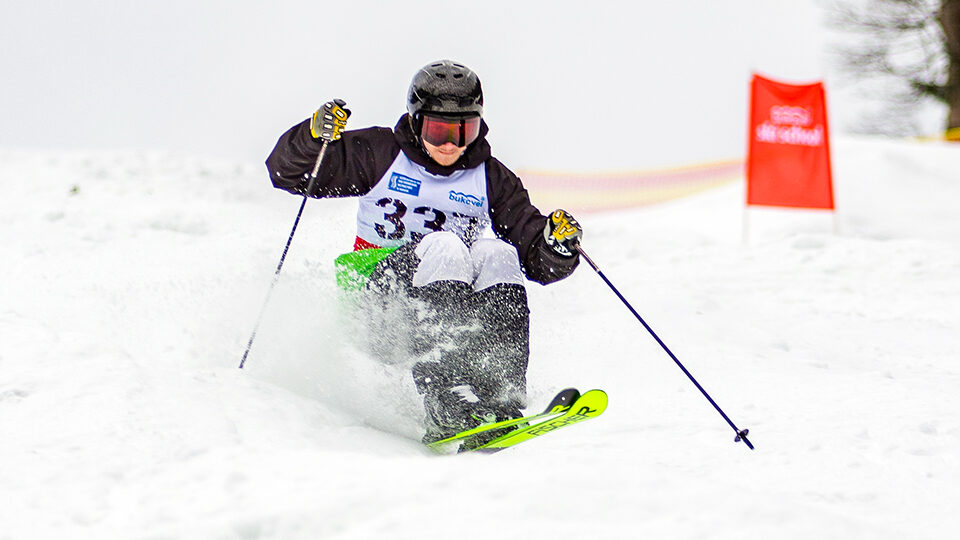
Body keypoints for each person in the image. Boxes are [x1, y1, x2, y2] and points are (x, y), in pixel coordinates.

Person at [266, 60, 583, 446]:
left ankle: (500, 395)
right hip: (377, 306)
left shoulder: (491, 178)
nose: (450, 143)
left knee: (496, 253)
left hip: (443, 302)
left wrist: (555, 244)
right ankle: (446, 397)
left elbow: (535, 257)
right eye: (438, 130)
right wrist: (315, 137)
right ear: (416, 123)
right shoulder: (381, 153)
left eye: (463, 129)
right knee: (446, 244)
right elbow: (290, 173)